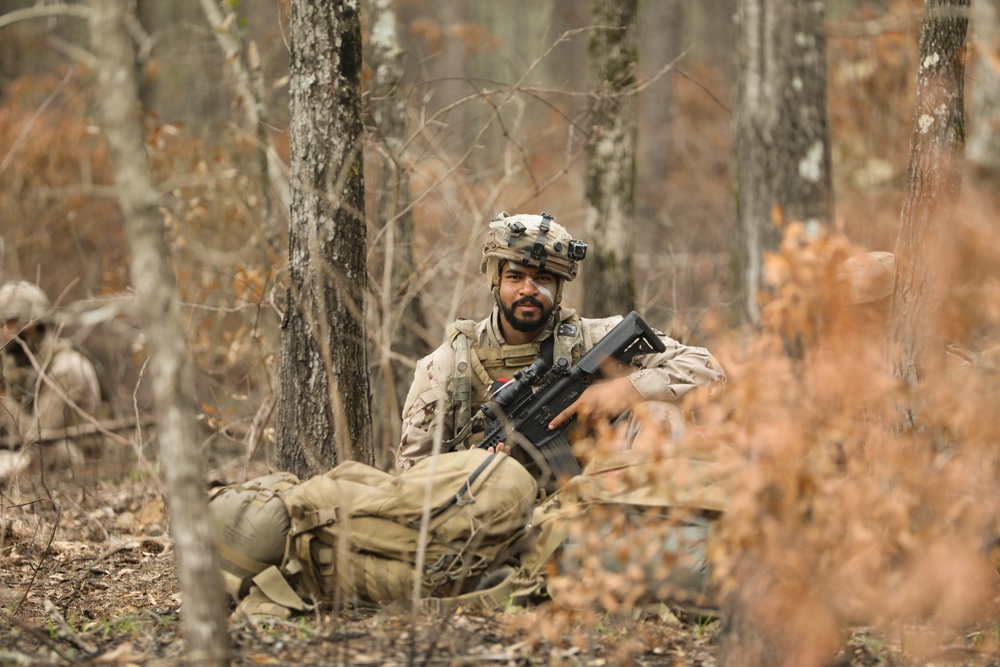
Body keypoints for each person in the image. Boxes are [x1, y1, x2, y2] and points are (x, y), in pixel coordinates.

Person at [396, 211, 726, 476]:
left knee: (658, 412)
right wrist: (463, 470)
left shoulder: (596, 339)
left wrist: (624, 390)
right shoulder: (447, 366)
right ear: (495, 280)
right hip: (500, 521)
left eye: (542, 279)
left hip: (602, 505)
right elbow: (408, 478)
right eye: (515, 277)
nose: (528, 289)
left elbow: (710, 370)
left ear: (559, 288)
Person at [0, 280, 102, 481]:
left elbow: (40, 436)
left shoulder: (66, 367)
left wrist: (2, 400)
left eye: (5, 324)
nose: (2, 333)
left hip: (78, 464)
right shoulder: (25, 364)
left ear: (29, 325)